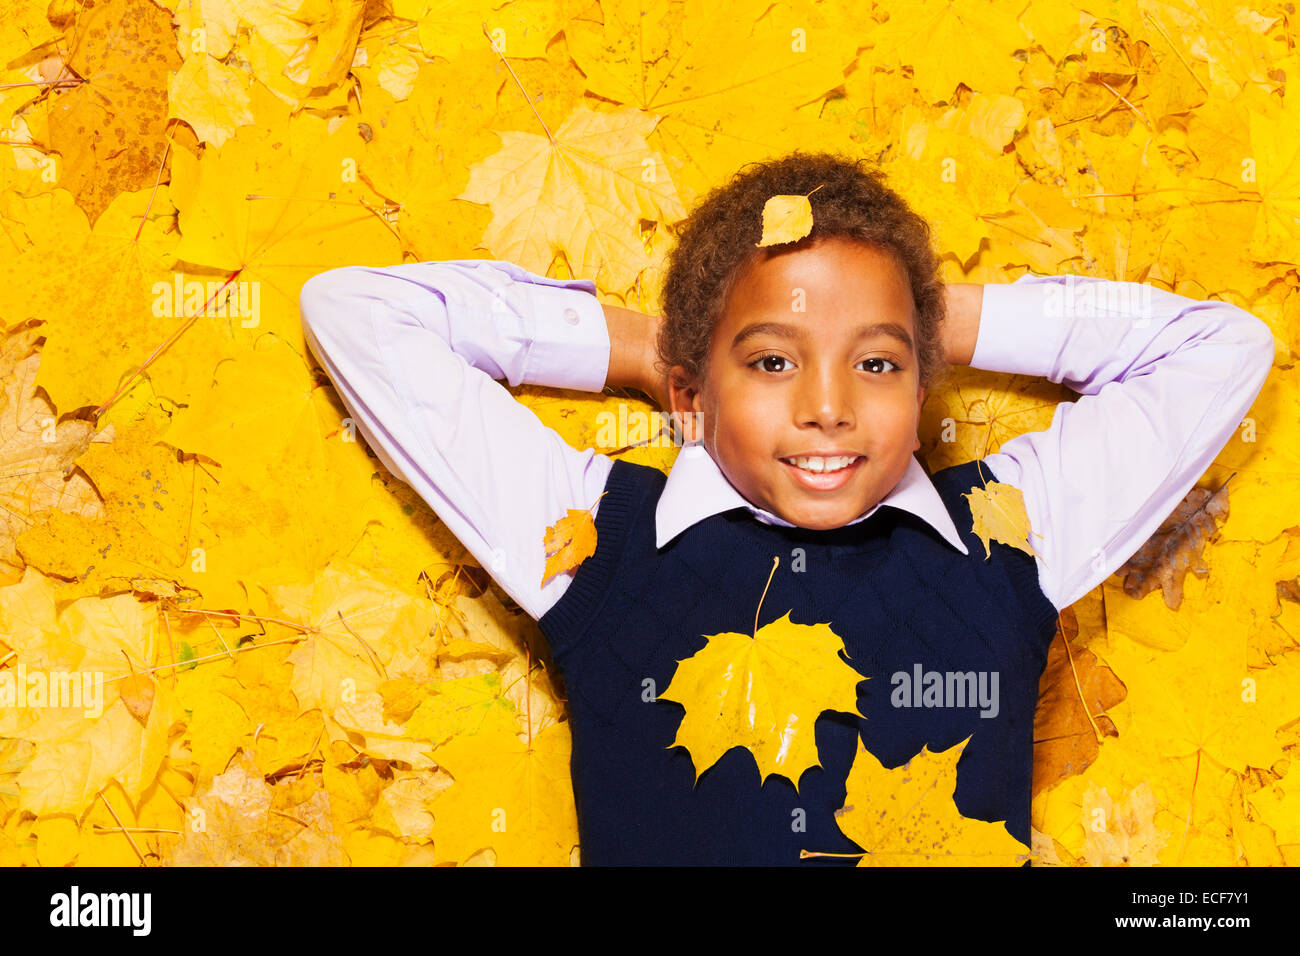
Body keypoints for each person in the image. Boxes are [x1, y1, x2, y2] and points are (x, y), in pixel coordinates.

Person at [299, 151, 1274, 866]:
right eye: (770, 359)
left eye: (877, 362)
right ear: (695, 390)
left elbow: (1219, 349)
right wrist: (644, 346)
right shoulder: (596, 537)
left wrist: (937, 312)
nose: (826, 404)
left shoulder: (1007, 528)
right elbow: (358, 314)